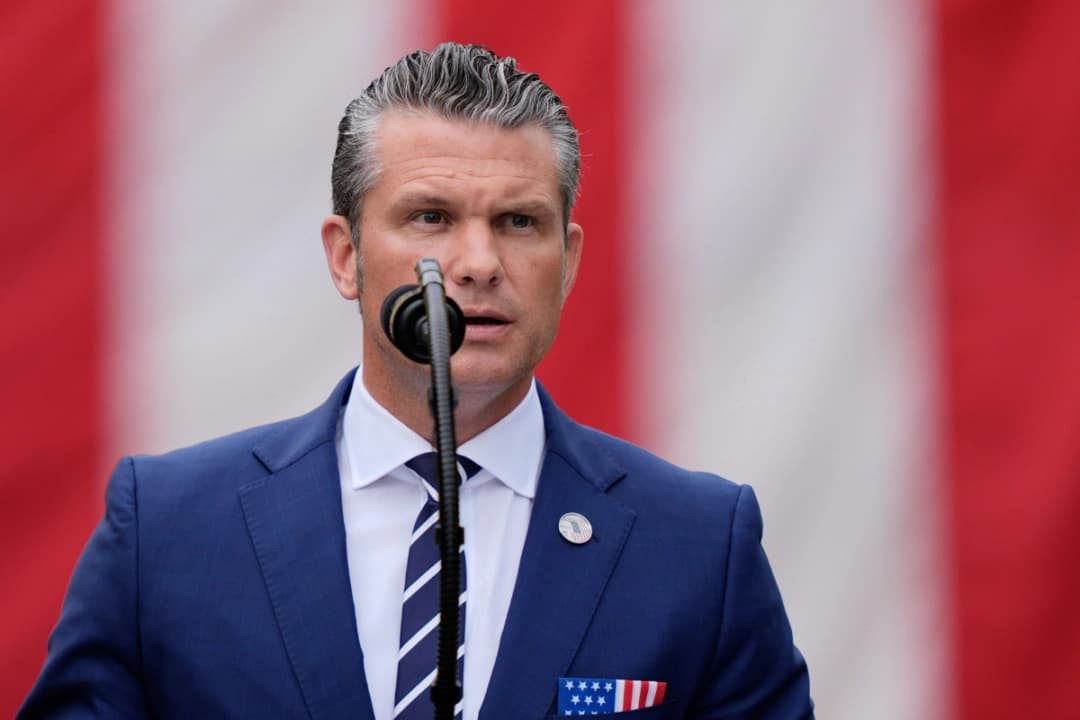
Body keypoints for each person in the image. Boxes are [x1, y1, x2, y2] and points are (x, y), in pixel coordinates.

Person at [20, 43, 812, 719]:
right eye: (430, 216)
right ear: (346, 257)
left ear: (567, 262)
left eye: (519, 222)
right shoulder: (168, 531)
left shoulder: (701, 545)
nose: (477, 264)